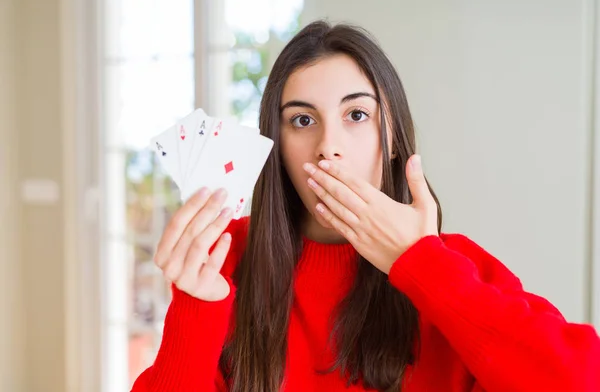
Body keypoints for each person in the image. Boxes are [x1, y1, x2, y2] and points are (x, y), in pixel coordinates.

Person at [131, 21, 600, 392]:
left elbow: (581, 380)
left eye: (356, 115)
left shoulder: (454, 265)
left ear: (392, 138)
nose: (327, 146)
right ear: (275, 145)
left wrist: (422, 265)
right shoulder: (226, 262)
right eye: (302, 120)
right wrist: (197, 308)